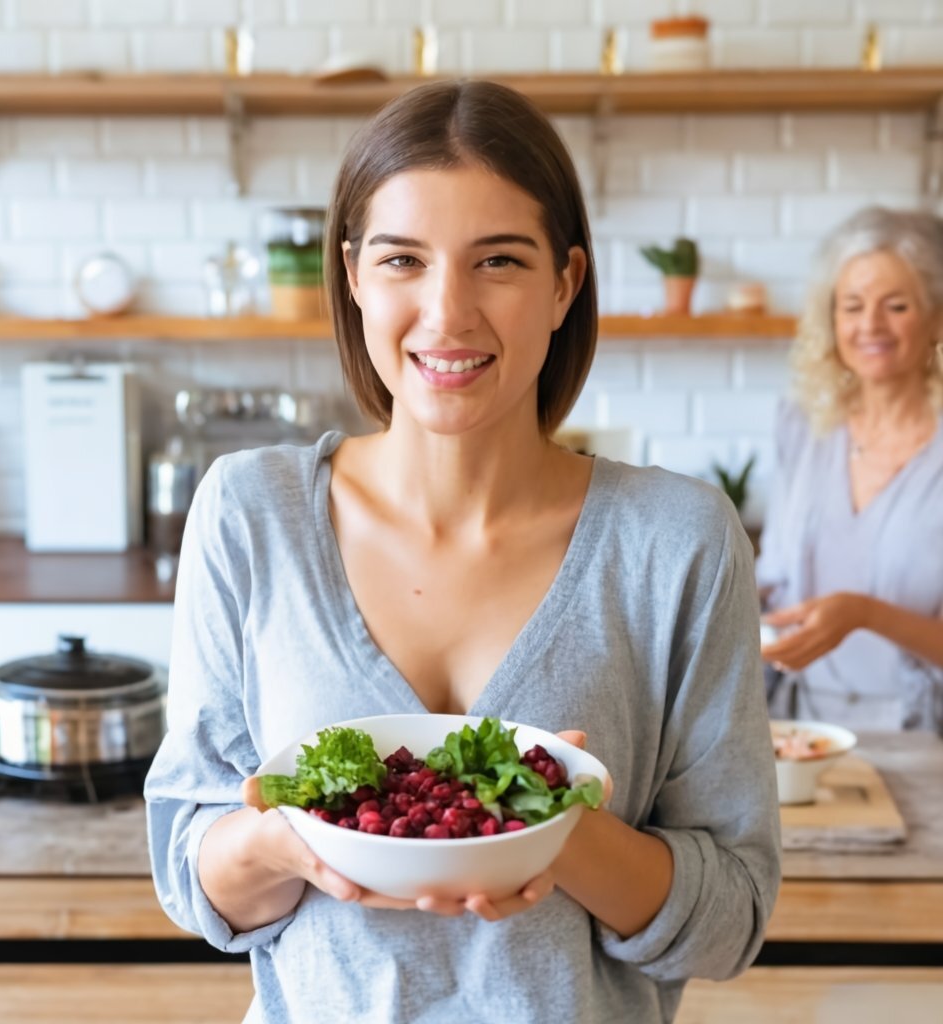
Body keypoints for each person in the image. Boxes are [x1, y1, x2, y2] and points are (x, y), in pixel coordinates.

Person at [144, 79, 780, 1024]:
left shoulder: (677, 542)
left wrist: (549, 828)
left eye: (499, 262)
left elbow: (731, 918)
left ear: (565, 283)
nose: (447, 314)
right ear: (353, 274)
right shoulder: (250, 512)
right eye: (404, 259)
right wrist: (282, 843)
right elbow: (196, 879)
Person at [757, 206, 943, 732]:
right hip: (797, 725)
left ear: (936, 317)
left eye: (897, 306)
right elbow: (774, 574)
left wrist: (866, 614)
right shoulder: (803, 424)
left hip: (926, 735)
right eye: (852, 306)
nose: (870, 326)